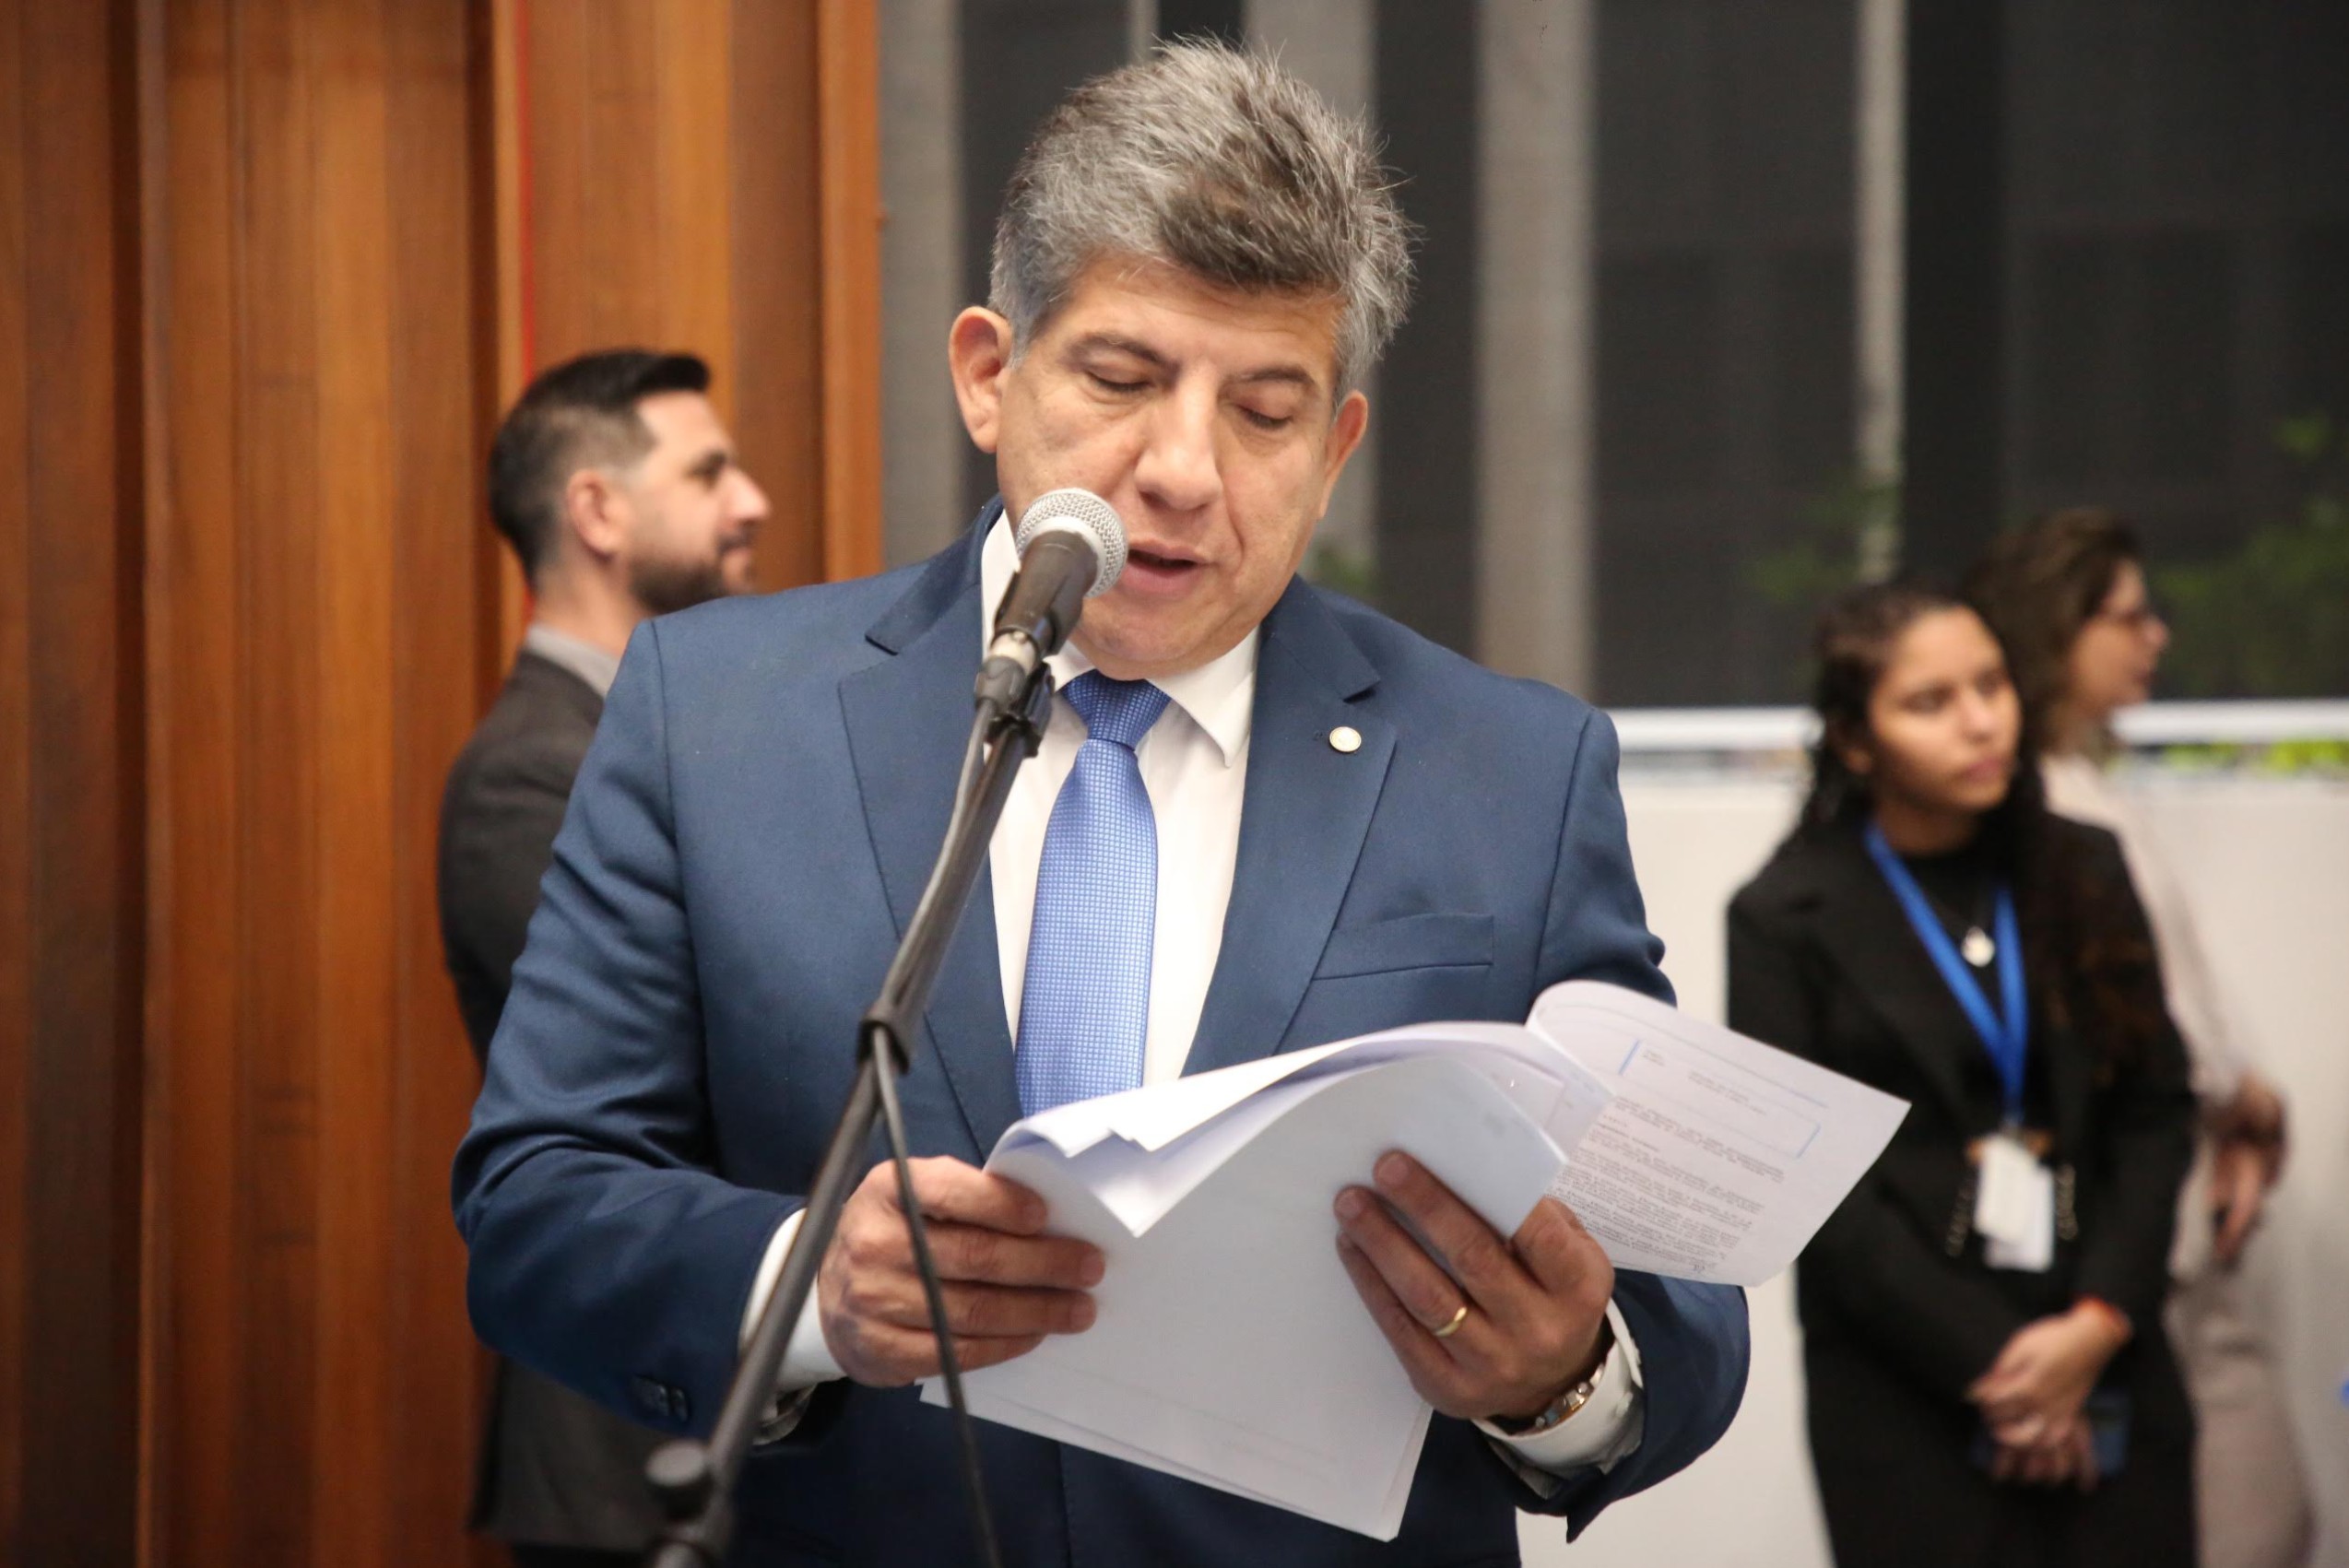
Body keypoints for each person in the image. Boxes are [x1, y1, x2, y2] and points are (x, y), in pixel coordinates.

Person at [453, 42, 1745, 1568]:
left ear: (1335, 447)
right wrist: (807, 1289)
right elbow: (537, 1200)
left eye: (1265, 410)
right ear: (988, 374)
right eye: (1121, 381)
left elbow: (1678, 1291)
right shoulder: (713, 716)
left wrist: (1562, 1380)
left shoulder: (1509, 773)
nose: (1183, 471)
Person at [1727, 582, 2200, 1568]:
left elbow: (2157, 1111)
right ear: (1856, 741)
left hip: (2107, 1347)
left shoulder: (2083, 868)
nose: (1981, 721)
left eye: (1991, 685)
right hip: (1905, 1389)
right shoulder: (1785, 915)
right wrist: (2004, 1371)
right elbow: (1812, 1187)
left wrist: (2094, 1326)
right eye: (1929, 702)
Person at [439, 347, 769, 1566]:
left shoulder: (680, 744)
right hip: (625, 1446)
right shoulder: (527, 775)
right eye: (709, 472)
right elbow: (704, 1053)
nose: (752, 502)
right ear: (596, 511)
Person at [1968, 509, 2313, 1568]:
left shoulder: (2083, 797)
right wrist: (2254, 1106)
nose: (2153, 636)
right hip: (2142, 1251)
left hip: (2161, 1228)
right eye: (2125, 615)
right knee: (2258, 1524)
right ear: (2054, 628)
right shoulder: (2061, 820)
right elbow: (2171, 1040)